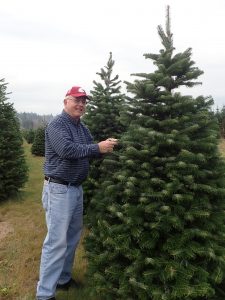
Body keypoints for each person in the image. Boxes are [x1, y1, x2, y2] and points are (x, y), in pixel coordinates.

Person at [36, 86, 118, 300]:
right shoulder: (57, 125)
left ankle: (63, 280)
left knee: (72, 238)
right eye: (76, 100)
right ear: (66, 101)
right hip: (58, 189)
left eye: (84, 101)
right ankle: (44, 294)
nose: (81, 104)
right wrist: (96, 148)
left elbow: (91, 150)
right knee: (56, 242)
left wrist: (107, 147)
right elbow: (67, 150)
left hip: (76, 189)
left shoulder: (82, 127)